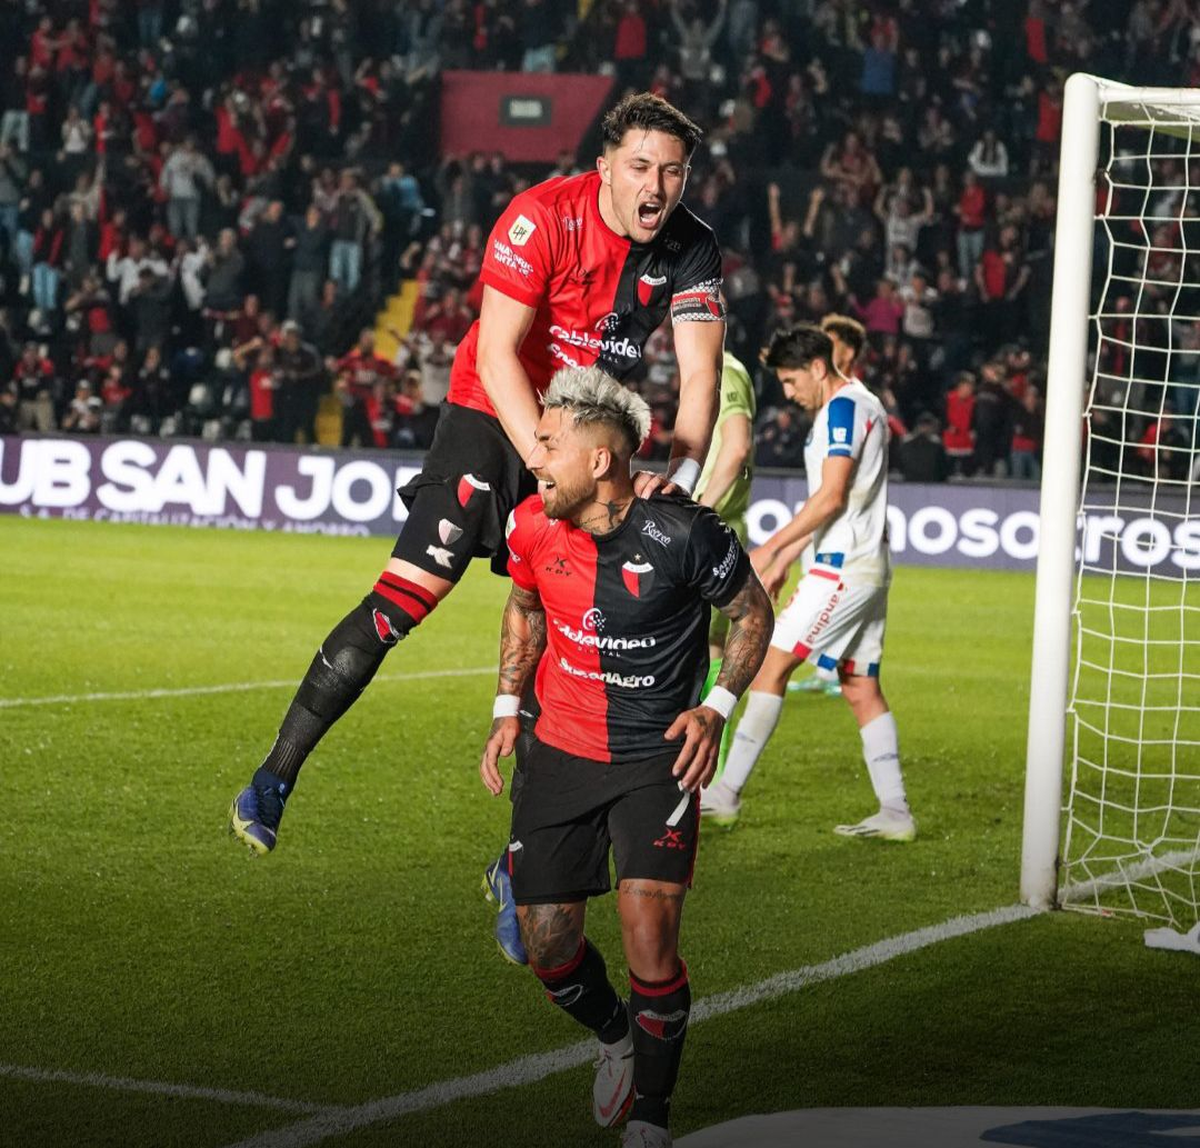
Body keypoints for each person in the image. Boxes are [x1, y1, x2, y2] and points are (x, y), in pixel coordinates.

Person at [229, 92, 727, 858]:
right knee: (407, 596)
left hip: (589, 427)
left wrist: (682, 474)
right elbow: (498, 354)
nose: (655, 186)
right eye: (639, 167)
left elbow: (700, 379)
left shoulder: (692, 248)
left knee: (589, 633)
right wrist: (543, 458)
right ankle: (274, 776)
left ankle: (528, 861)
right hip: (495, 413)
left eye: (672, 172)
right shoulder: (539, 217)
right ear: (605, 167)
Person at [480, 367, 771, 1148]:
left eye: (547, 443)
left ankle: (651, 1116)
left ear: (600, 461)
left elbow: (751, 613)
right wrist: (509, 709)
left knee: (649, 928)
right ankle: (615, 1035)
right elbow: (523, 604)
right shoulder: (531, 527)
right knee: (547, 946)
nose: (533, 455)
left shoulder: (684, 531)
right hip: (559, 754)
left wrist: (716, 708)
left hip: (656, 758)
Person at [699, 324, 916, 841]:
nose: (789, 393)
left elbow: (831, 497)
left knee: (770, 663)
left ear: (818, 368)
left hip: (843, 568)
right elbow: (830, 502)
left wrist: (770, 549)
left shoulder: (842, 408)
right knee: (860, 684)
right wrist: (786, 557)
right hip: (864, 564)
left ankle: (723, 794)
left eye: (793, 381)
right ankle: (896, 811)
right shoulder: (859, 404)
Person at [694, 349, 755, 773]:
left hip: (711, 525)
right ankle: (704, 772)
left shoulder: (726, 372)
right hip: (715, 522)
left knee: (700, 647)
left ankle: (701, 767)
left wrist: (701, 507)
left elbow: (735, 449)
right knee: (711, 646)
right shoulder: (713, 370)